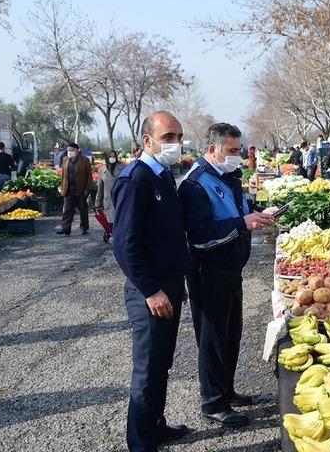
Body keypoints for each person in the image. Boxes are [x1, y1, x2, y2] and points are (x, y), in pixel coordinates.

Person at [179, 123, 277, 428]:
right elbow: (201, 235)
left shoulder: (229, 177)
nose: (237, 156)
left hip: (232, 269)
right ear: (213, 150)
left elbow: (240, 210)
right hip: (208, 272)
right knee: (212, 338)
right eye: (232, 151)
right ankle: (212, 402)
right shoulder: (194, 184)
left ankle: (227, 390)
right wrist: (243, 224)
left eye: (239, 150)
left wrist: (260, 213)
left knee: (231, 334)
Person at [111, 111, 191, 451]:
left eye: (178, 136)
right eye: (168, 137)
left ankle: (155, 426)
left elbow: (168, 236)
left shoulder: (163, 176)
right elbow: (125, 245)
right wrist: (152, 289)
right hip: (150, 292)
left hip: (168, 285)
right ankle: (141, 444)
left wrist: (177, 282)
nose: (175, 143)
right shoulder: (136, 179)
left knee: (163, 363)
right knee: (146, 371)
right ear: (148, 141)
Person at [57, 143, 94, 236]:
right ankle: (65, 229)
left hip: (81, 189)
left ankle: (84, 227)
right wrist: (62, 187)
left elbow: (89, 176)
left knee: (82, 209)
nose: (70, 152)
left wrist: (87, 189)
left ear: (77, 150)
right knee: (67, 210)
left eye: (72, 150)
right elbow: (63, 176)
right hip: (68, 189)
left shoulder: (84, 160)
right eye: (68, 150)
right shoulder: (65, 160)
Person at [95, 150, 126, 225]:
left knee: (121, 222)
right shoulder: (102, 170)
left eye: (114, 156)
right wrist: (98, 204)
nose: (112, 158)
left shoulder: (124, 167)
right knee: (111, 224)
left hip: (121, 199)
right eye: (110, 156)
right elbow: (100, 189)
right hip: (108, 201)